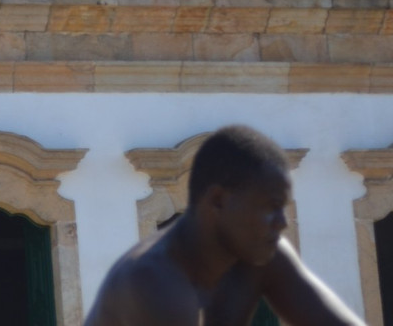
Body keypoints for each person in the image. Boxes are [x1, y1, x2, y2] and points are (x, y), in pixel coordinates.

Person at [83, 125, 367, 326]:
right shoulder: (154, 281)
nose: (282, 223)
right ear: (218, 200)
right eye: (269, 207)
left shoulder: (261, 252)